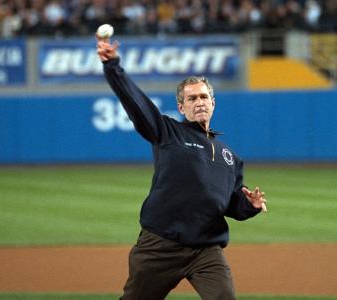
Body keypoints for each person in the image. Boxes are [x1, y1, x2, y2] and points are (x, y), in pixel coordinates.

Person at [96, 35, 267, 300]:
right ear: (181, 107)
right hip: (160, 246)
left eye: (203, 96)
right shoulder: (168, 132)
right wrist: (113, 67)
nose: (199, 102)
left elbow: (232, 204)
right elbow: (136, 103)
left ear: (212, 103)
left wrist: (250, 206)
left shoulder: (229, 157)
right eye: (192, 99)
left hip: (206, 249)